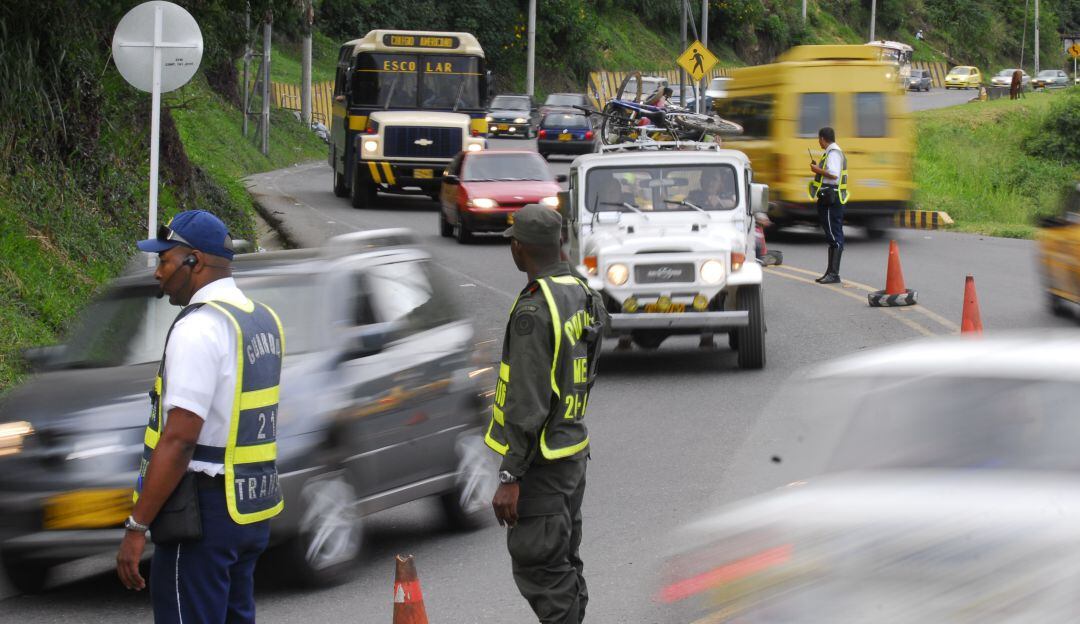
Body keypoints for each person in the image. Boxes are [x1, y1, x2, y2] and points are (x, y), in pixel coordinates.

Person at [116, 210, 284, 623]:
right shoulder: (260, 319)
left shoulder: (199, 327)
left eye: (164, 260)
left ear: (194, 260)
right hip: (248, 508)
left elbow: (180, 438)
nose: (158, 273)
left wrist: (138, 527)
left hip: (200, 515)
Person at [487, 205, 607, 624]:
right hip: (570, 451)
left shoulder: (535, 311)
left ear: (519, 249)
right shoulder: (579, 290)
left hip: (541, 465)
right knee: (563, 566)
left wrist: (510, 477)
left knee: (543, 570)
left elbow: (527, 401)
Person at [808, 127, 849, 284]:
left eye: (819, 139)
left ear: (823, 138)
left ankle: (834, 274)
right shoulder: (832, 152)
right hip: (831, 197)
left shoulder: (833, 154)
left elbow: (833, 174)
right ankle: (831, 272)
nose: (819, 142)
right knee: (832, 233)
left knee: (834, 234)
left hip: (832, 198)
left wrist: (817, 169)